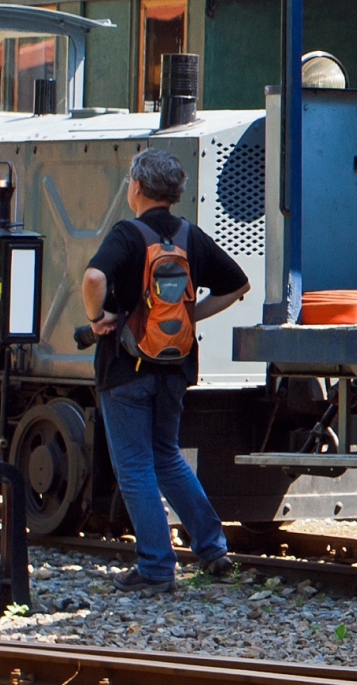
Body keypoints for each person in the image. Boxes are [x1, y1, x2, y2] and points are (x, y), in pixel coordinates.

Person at [81, 148, 250, 594]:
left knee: (135, 465)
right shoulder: (189, 235)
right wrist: (190, 316)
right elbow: (238, 284)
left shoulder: (127, 232)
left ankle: (156, 567)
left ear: (137, 187)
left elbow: (94, 278)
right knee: (166, 455)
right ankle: (212, 548)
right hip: (175, 365)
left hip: (126, 369)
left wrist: (97, 317)